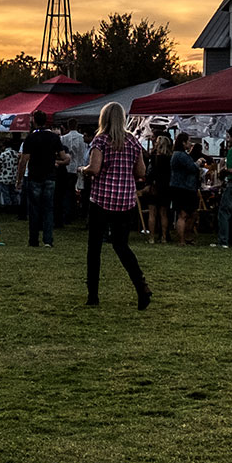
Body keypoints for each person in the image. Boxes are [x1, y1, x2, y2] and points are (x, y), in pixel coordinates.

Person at [82, 101, 151, 309]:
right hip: (125, 200)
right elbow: (141, 172)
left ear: (104, 118)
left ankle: (93, 295)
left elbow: (94, 168)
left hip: (102, 200)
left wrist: (82, 170)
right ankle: (141, 287)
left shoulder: (100, 140)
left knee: (94, 248)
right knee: (121, 246)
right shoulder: (133, 142)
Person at [19, 112, 64, 247]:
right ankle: (48, 240)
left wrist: (19, 178)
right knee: (48, 209)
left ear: (34, 121)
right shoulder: (54, 138)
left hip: (34, 176)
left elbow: (23, 160)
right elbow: (63, 156)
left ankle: (33, 239)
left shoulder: (31, 138)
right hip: (50, 176)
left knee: (34, 209)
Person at [169, 132, 203, 246]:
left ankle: (187, 236)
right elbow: (192, 168)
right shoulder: (180, 155)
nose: (190, 143)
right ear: (183, 142)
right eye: (189, 141)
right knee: (183, 214)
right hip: (183, 188)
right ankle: (182, 240)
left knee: (192, 213)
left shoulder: (180, 155)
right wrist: (198, 163)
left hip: (186, 187)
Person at [143, 129, 175, 243]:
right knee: (164, 213)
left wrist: (149, 183)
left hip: (155, 186)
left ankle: (151, 237)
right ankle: (164, 237)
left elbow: (150, 173)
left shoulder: (154, 157)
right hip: (166, 187)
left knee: (152, 212)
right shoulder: (170, 159)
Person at [59, 120, 89, 227]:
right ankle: (76, 212)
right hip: (81, 167)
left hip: (68, 168)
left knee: (68, 192)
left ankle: (69, 213)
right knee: (80, 191)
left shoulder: (63, 138)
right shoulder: (82, 138)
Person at [0, 138, 20, 213]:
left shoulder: (4, 154)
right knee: (13, 193)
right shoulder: (16, 154)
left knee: (5, 193)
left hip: (5, 177)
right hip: (13, 176)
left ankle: (8, 207)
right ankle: (15, 207)